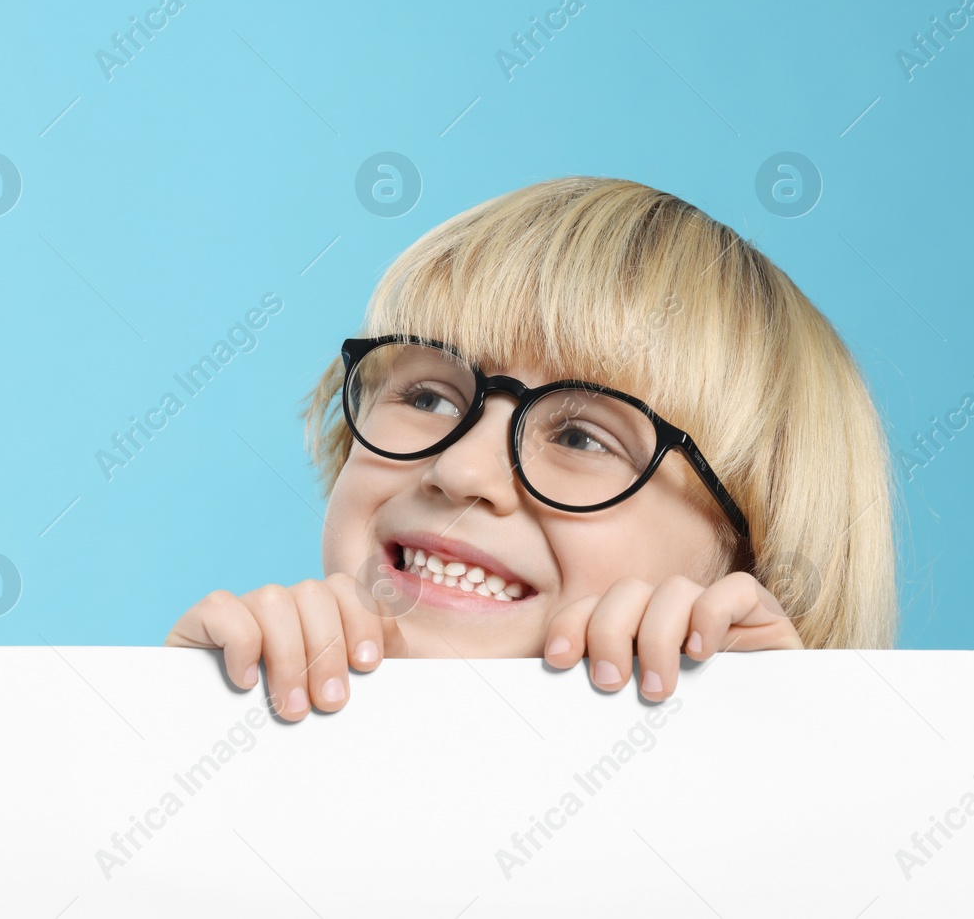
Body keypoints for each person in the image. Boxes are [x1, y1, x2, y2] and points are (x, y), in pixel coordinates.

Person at [166, 176, 897, 719]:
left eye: (581, 436)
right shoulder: (229, 718)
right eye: (427, 397)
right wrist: (162, 735)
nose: (461, 469)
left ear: (750, 563)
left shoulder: (789, 817)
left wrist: (795, 755)